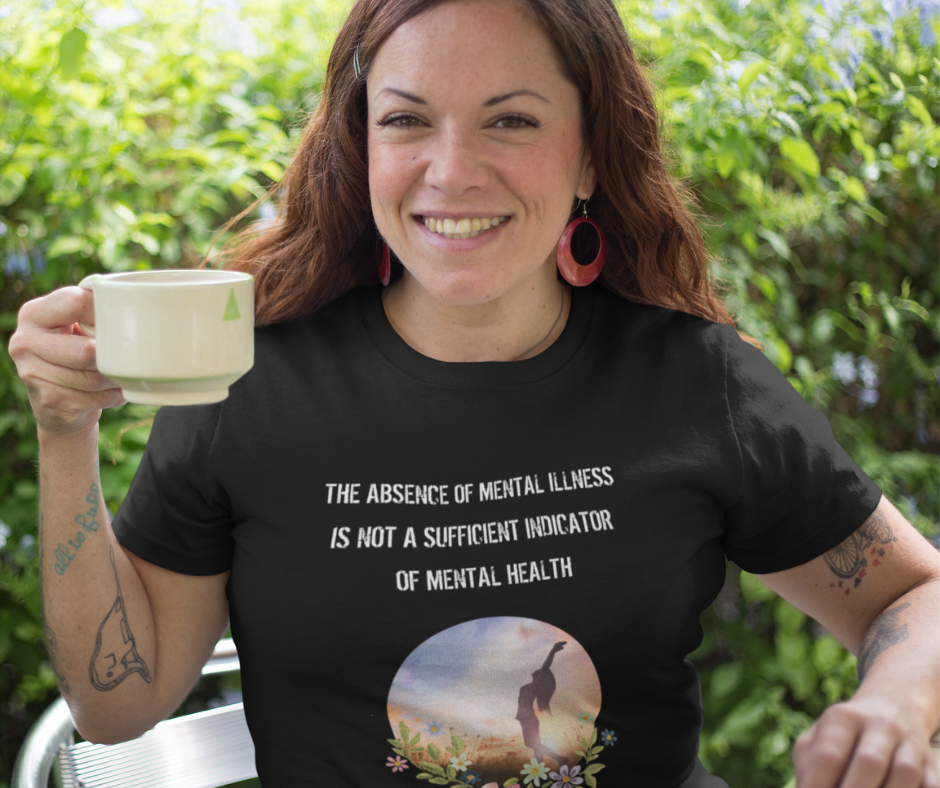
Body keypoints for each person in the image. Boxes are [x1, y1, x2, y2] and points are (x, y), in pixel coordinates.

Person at [8, 0, 940, 786]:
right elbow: (115, 702)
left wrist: (896, 703)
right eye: (407, 120)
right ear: (362, 148)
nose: (452, 171)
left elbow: (916, 594)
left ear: (588, 159)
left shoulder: (698, 383)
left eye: (512, 119)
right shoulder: (252, 387)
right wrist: (65, 427)